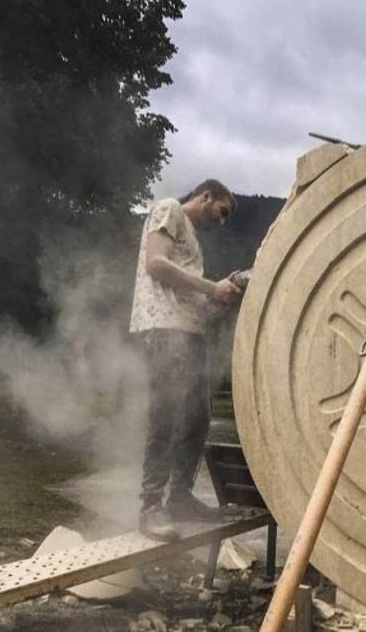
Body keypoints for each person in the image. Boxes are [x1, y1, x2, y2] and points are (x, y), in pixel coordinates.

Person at [130, 178, 241, 542]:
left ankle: (178, 498)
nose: (221, 222)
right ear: (206, 195)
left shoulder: (192, 239)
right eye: (222, 211)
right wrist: (210, 286)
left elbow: (187, 296)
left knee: (197, 416)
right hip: (163, 329)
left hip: (187, 331)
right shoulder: (169, 209)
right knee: (167, 412)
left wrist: (216, 300)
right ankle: (150, 507)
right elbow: (156, 264)